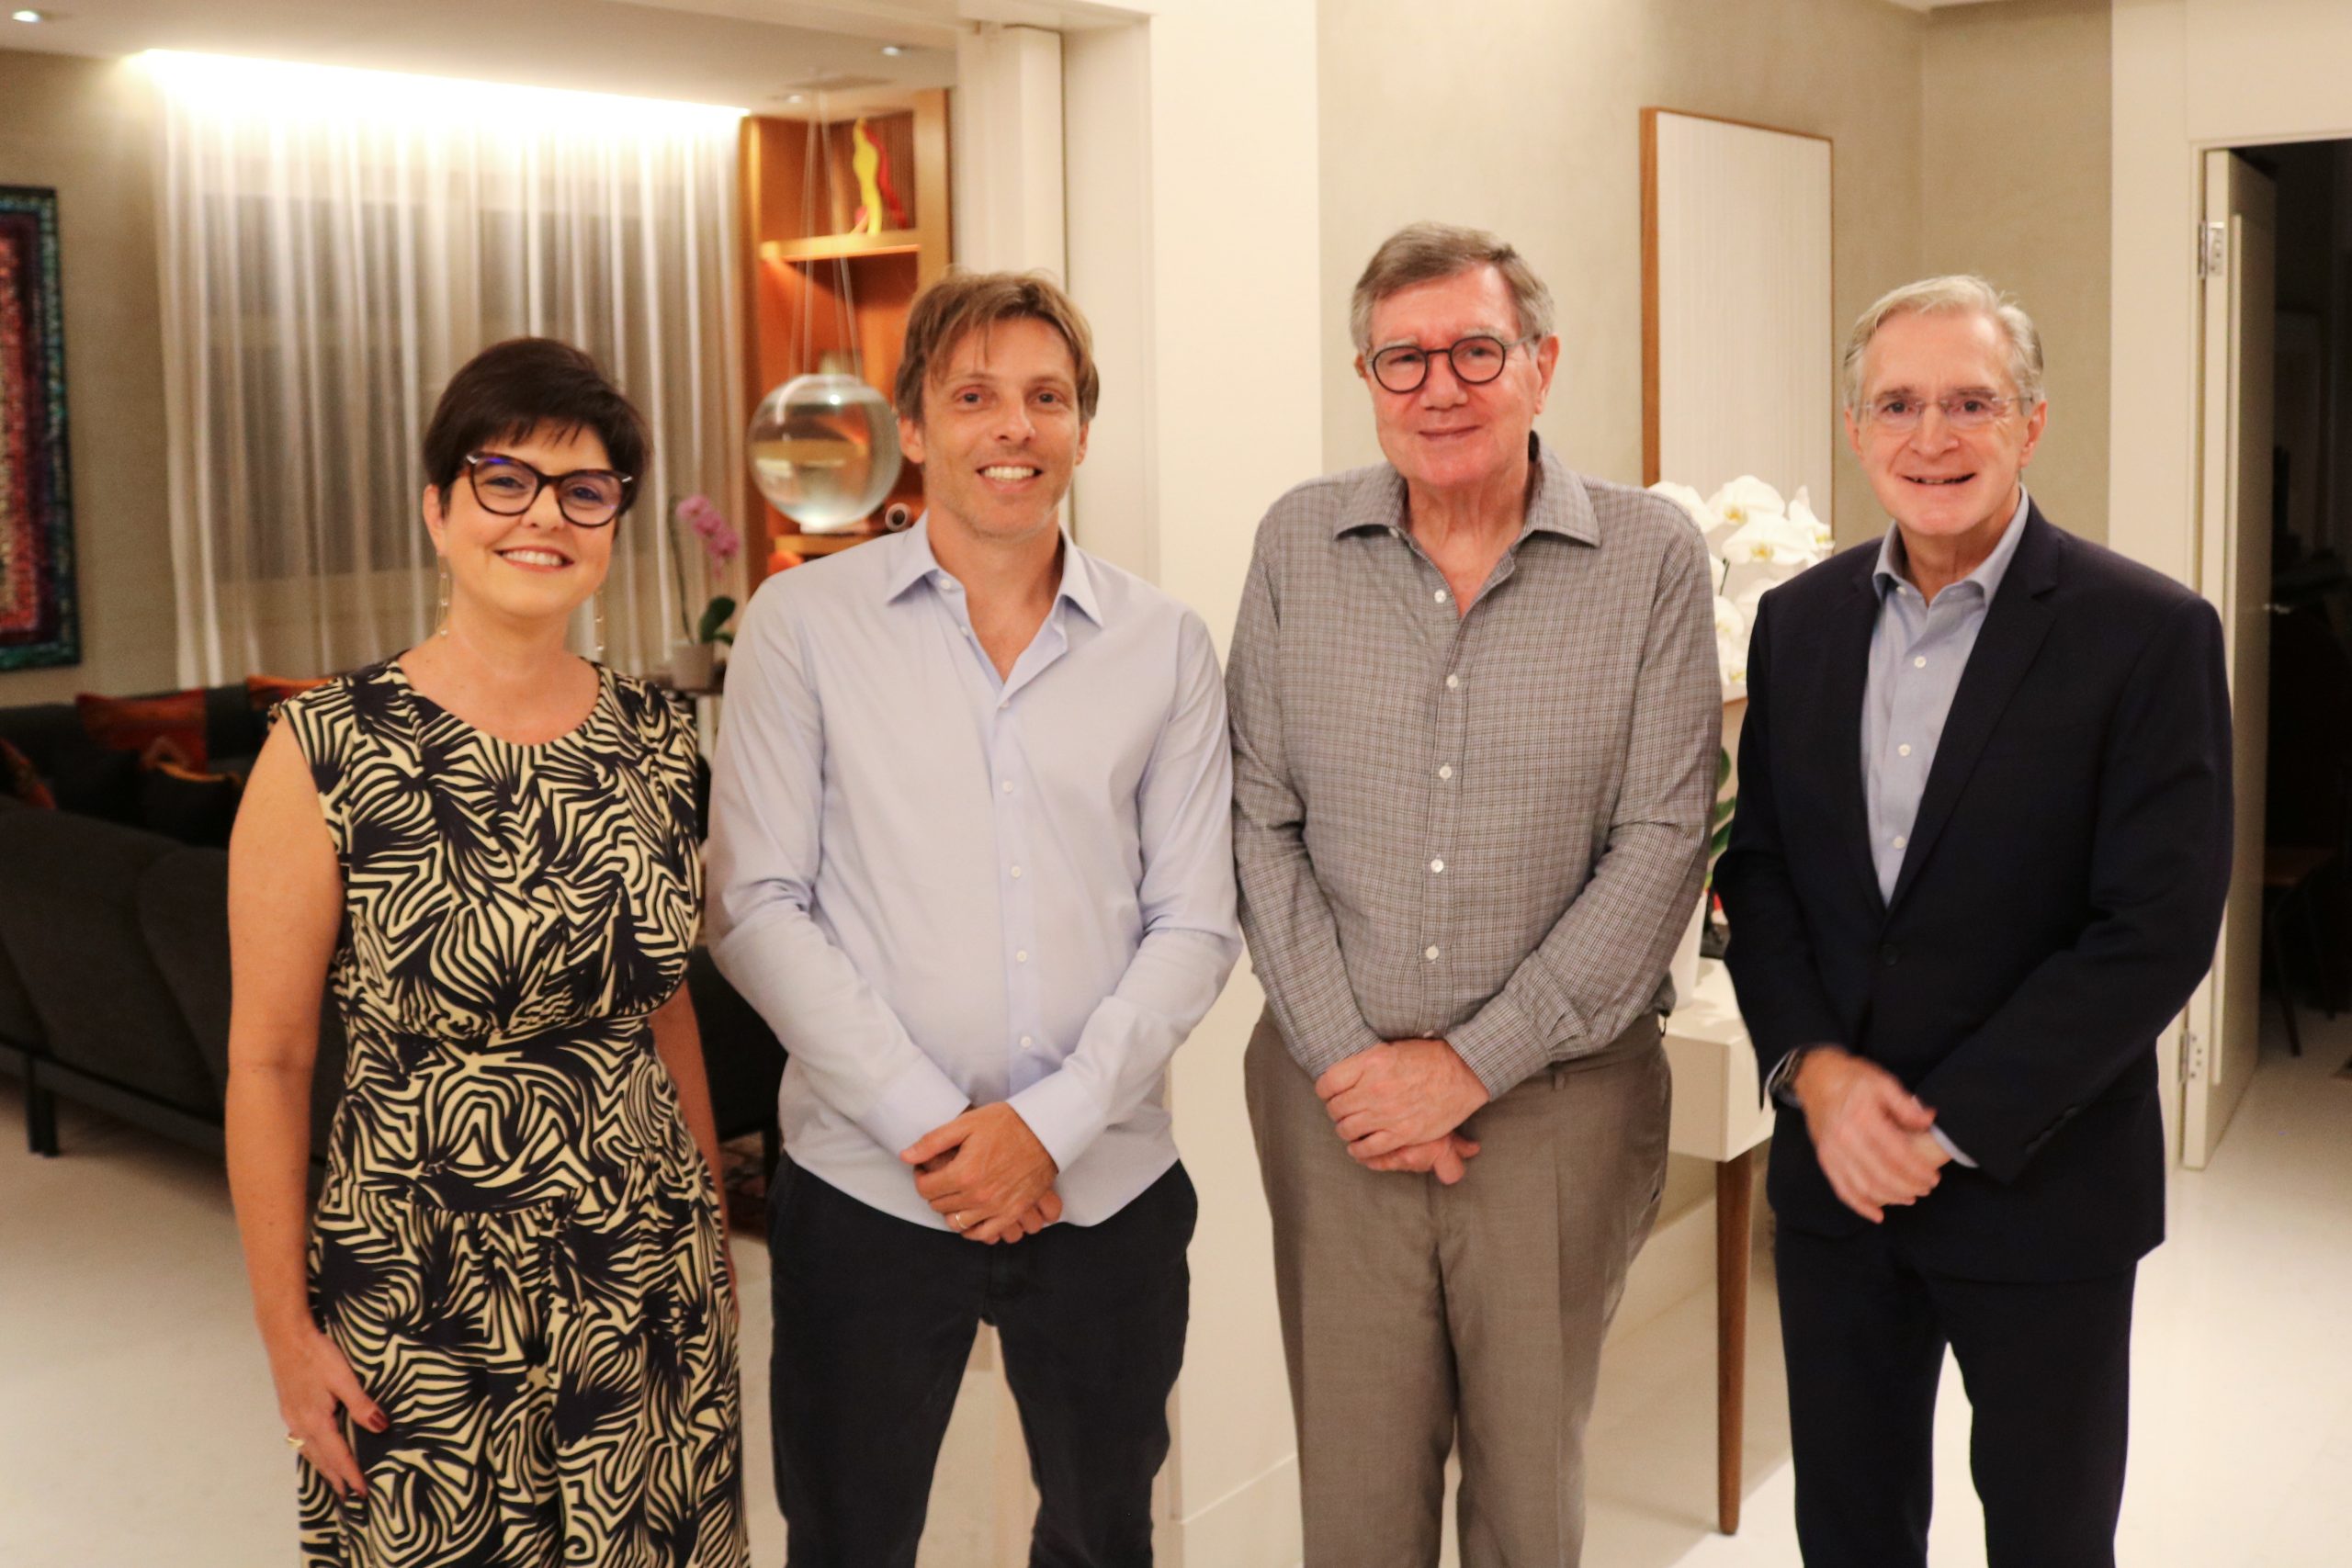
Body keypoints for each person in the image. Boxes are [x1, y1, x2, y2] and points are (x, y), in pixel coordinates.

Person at [706, 270, 1239, 1568]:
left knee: (1105, 1540)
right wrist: (938, 1133)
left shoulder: (1165, 643)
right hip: (867, 1189)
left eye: (1047, 397)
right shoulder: (802, 626)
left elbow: (1195, 923)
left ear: (1083, 429)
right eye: (974, 396)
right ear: (914, 424)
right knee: (848, 1540)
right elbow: (755, 904)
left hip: (1104, 1188)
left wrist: (1044, 1129)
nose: (1014, 427)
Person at [1714, 276, 2233, 1568]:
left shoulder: (2147, 632)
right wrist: (1817, 1075)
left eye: (1971, 403)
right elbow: (1760, 874)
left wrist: (1940, 1125)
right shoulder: (1796, 625)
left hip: (2042, 1187)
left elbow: (2156, 926)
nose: (1931, 437)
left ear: (2032, 423)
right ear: (1854, 430)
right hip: (1837, 1192)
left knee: (2050, 1540)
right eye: (1897, 404)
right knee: (1849, 1533)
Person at [1227, 220, 1720, 1567]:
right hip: (1333, 1114)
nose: (1439, 387)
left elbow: (1664, 838)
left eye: (1476, 351)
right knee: (1357, 1500)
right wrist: (1357, 1068)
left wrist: (1464, 1068)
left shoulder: (1650, 557)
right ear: (1367, 379)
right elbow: (1258, 817)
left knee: (1527, 1500)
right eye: (1403, 359)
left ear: (1542, 365)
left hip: (1558, 1113)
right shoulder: (1297, 542)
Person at [224, 337, 747, 1568]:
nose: (544, 516)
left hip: (645, 1269)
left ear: (614, 519)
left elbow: (665, 1008)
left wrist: (715, 1237)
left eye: (585, 489)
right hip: (419, 1282)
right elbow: (269, 1061)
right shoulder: (327, 746)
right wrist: (286, 1335)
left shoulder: (659, 738)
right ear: (439, 508)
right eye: (505, 479)